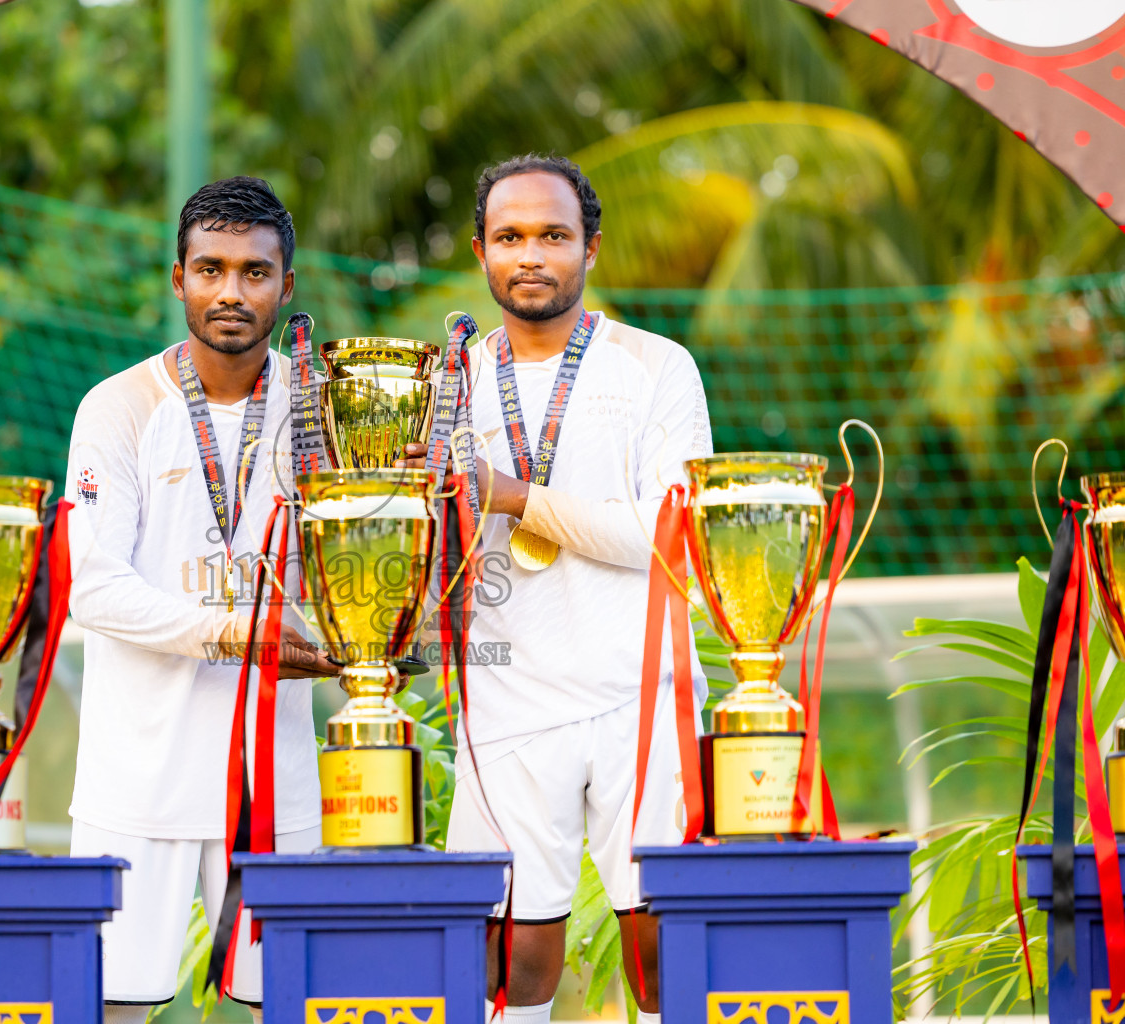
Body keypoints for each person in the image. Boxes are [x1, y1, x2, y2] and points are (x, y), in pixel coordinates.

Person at [406, 154, 713, 1024]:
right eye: (510, 237)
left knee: (659, 947)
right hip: (506, 699)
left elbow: (671, 540)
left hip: (640, 698)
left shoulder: (656, 367)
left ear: (591, 248)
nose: (531, 254)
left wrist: (513, 494)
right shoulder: (446, 382)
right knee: (514, 960)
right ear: (480, 252)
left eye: (553, 235)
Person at [65, 176, 339, 1024]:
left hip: (276, 782)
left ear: (286, 287)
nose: (231, 291)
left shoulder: (324, 408)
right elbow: (95, 589)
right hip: (135, 779)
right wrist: (232, 636)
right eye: (211, 268)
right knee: (111, 1009)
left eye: (255, 273)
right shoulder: (118, 406)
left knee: (287, 1009)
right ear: (177, 277)